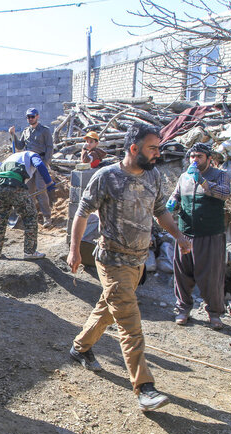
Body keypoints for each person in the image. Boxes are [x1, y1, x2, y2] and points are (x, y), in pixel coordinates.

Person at [66, 123, 192, 412]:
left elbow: (161, 212)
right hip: (111, 260)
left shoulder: (154, 176)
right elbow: (81, 213)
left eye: (159, 148)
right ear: (134, 149)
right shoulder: (106, 177)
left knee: (108, 311)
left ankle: (79, 348)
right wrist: (74, 250)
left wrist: (180, 237)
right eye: (153, 148)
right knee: (130, 324)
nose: (158, 154)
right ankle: (145, 388)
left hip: (137, 261)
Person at [167, 142, 231, 329]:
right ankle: (183, 309)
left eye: (199, 157)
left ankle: (214, 312)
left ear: (209, 159)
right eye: (192, 156)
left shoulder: (220, 176)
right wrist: (171, 203)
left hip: (210, 234)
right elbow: (176, 195)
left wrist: (203, 181)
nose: (194, 160)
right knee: (182, 273)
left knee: (211, 275)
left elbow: (225, 194)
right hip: (185, 233)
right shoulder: (184, 177)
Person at [0, 151, 55, 260]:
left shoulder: (15, 156)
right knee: (30, 215)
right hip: (15, 184)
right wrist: (49, 182)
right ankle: (29, 252)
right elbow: (39, 165)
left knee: (0, 217)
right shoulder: (32, 155)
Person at [9, 108, 54, 227]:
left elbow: (49, 147)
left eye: (32, 116)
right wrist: (13, 135)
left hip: (40, 163)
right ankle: (31, 215)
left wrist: (45, 163)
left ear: (37, 116)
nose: (30, 119)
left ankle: (47, 217)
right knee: (29, 191)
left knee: (41, 190)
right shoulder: (26, 131)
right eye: (28, 117)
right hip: (29, 164)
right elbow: (19, 146)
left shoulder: (45, 131)